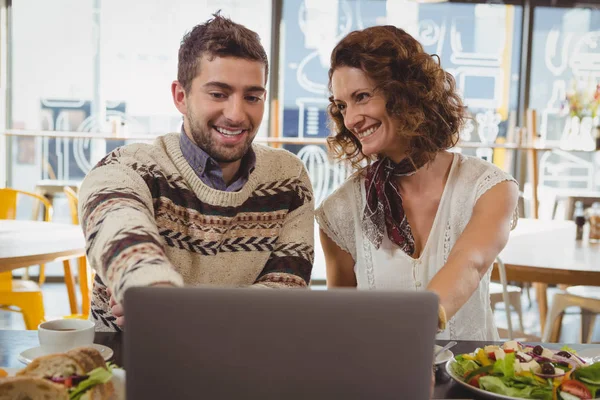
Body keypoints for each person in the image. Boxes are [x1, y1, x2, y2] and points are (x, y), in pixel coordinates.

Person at [79, 14, 315, 332]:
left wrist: (172, 309)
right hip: (130, 366)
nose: (236, 114)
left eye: (252, 97)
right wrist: (150, 289)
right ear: (181, 96)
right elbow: (123, 238)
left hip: (244, 365)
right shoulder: (127, 168)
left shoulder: (289, 179)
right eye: (218, 94)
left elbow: (286, 295)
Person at [315, 25, 518, 340]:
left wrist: (412, 331)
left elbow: (470, 264)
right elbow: (341, 323)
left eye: (362, 97)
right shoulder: (339, 212)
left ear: (405, 93)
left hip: (471, 384)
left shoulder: (489, 188)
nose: (351, 118)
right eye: (342, 106)